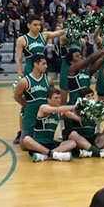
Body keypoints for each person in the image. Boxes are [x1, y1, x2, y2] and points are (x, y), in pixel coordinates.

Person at [13, 14, 64, 144]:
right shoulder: (22, 39)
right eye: (35, 25)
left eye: (39, 25)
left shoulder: (44, 35)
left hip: (42, 70)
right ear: (28, 25)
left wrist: (75, 27)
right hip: (29, 71)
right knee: (26, 105)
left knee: (42, 100)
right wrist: (20, 76)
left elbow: (59, 32)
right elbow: (18, 59)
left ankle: (41, 130)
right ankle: (21, 131)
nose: (37, 27)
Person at [22, 88, 80, 162]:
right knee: (27, 139)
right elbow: (56, 109)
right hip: (38, 144)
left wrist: (88, 111)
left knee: (72, 143)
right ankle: (53, 154)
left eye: (59, 98)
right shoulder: (43, 107)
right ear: (49, 99)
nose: (58, 100)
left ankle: (46, 155)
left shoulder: (61, 111)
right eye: (56, 98)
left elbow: (77, 118)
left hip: (50, 143)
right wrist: (74, 106)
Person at [13, 54, 54, 151]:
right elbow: (17, 96)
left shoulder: (48, 80)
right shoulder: (24, 81)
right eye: (43, 64)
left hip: (44, 115)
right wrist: (26, 105)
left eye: (46, 64)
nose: (46, 66)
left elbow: (53, 96)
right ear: (35, 64)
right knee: (24, 146)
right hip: (30, 115)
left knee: (45, 141)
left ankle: (42, 148)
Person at [68, 88, 104, 158]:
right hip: (80, 139)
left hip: (92, 139)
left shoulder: (95, 110)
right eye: (88, 96)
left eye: (92, 96)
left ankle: (90, 150)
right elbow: (68, 114)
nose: (91, 98)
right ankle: (97, 152)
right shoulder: (76, 109)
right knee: (73, 135)